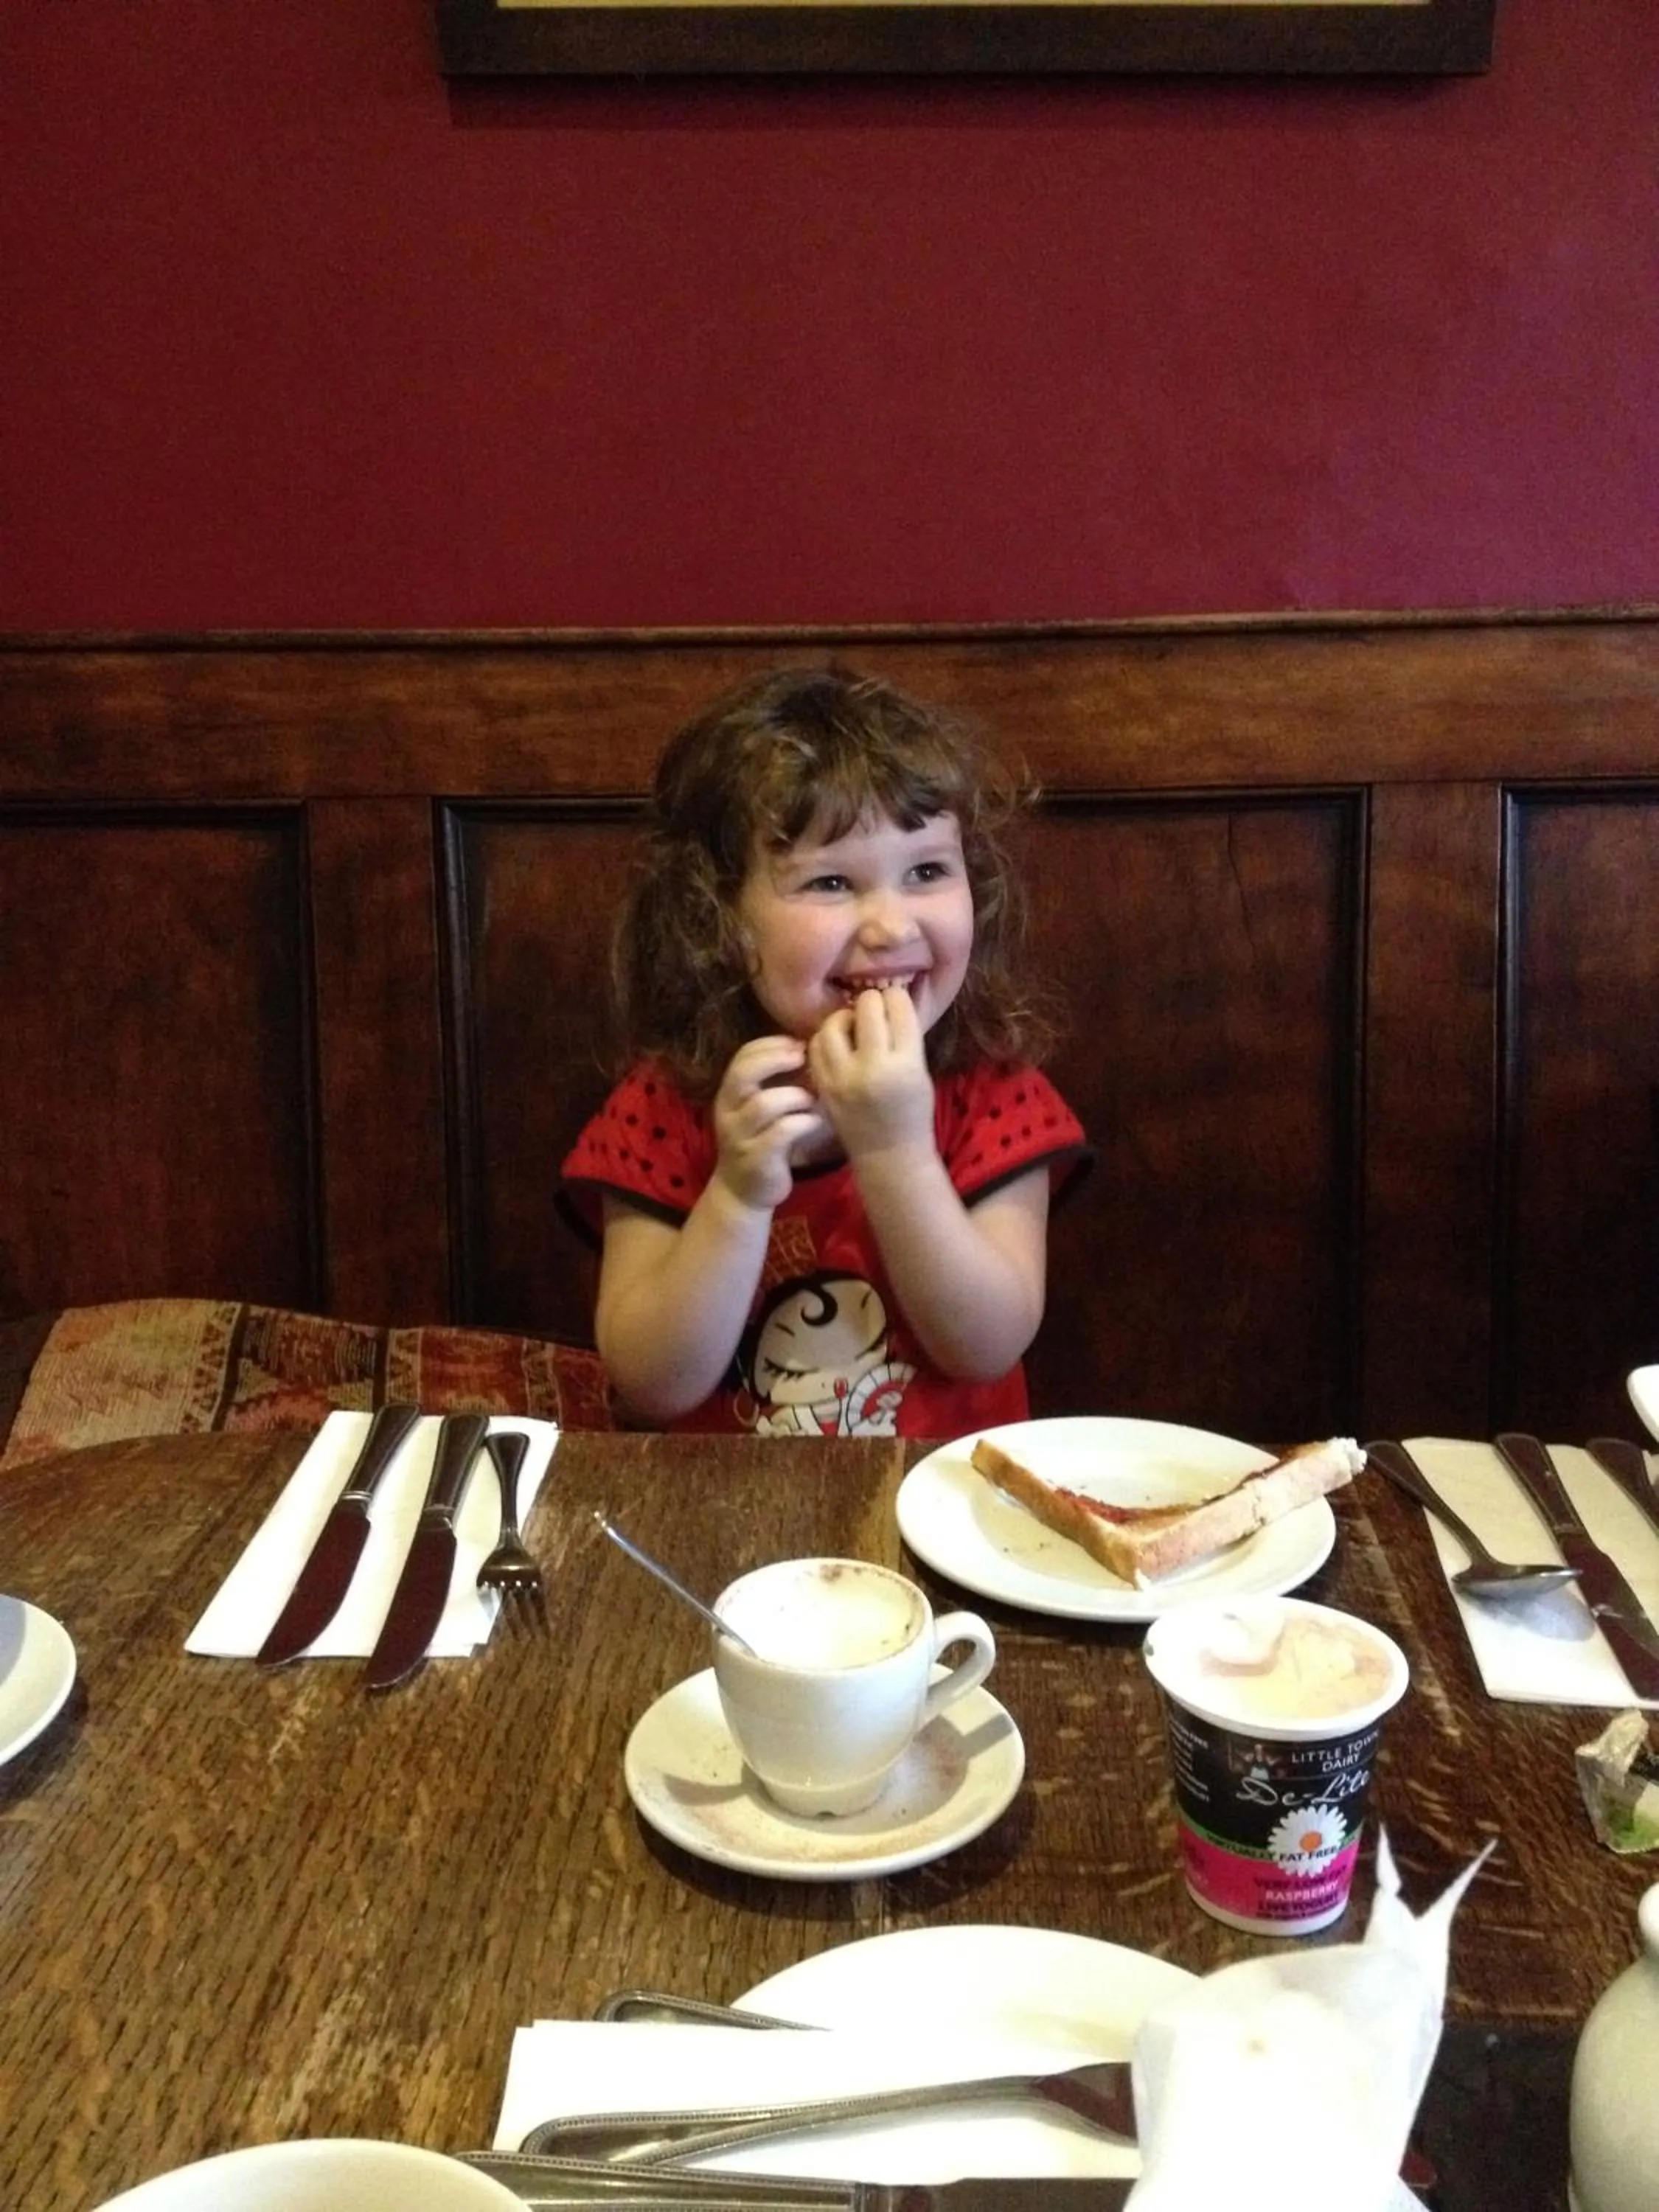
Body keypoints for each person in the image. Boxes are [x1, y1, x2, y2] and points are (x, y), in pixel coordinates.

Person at [558, 665, 1088, 1437]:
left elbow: (988, 1343)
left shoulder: (994, 1092)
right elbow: (650, 1384)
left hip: (942, 1516)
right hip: (729, 1523)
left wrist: (896, 1148)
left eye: (928, 871)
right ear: (719, 920)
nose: (891, 926)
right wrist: (737, 1194)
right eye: (832, 883)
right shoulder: (668, 1106)